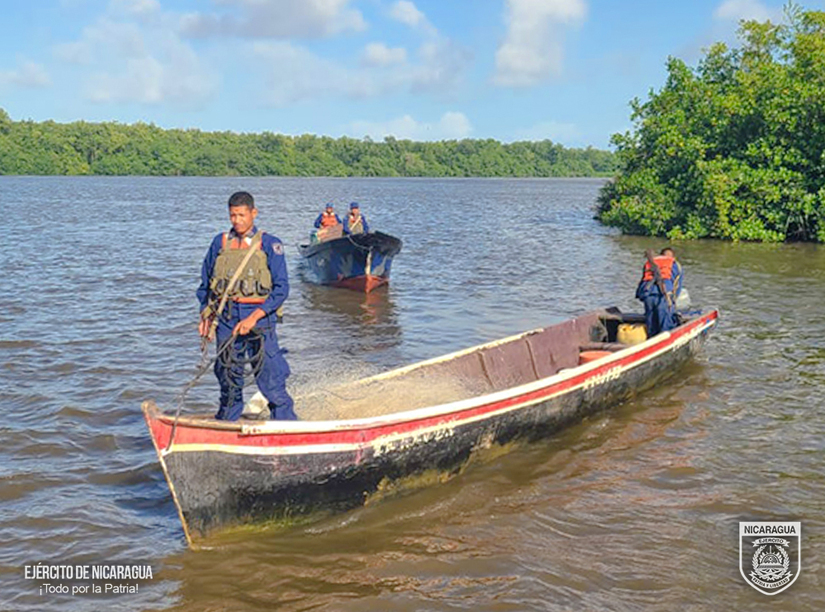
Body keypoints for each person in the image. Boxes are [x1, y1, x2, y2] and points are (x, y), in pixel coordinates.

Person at [197, 191, 297, 421]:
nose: (237, 221)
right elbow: (205, 285)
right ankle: (227, 422)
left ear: (254, 213)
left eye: (242, 215)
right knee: (227, 375)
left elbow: (282, 289)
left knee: (271, 376)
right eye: (232, 215)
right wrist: (205, 317)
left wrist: (254, 317)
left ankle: (285, 423)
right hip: (227, 318)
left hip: (260, 319)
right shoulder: (219, 243)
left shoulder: (270, 244)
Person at [635, 247, 683, 337]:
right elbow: (677, 286)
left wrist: (641, 296)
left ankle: (651, 340)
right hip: (664, 295)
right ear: (673, 257)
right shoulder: (675, 264)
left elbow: (643, 281)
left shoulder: (649, 262)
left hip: (648, 294)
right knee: (666, 323)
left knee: (651, 320)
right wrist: (672, 300)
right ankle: (665, 342)